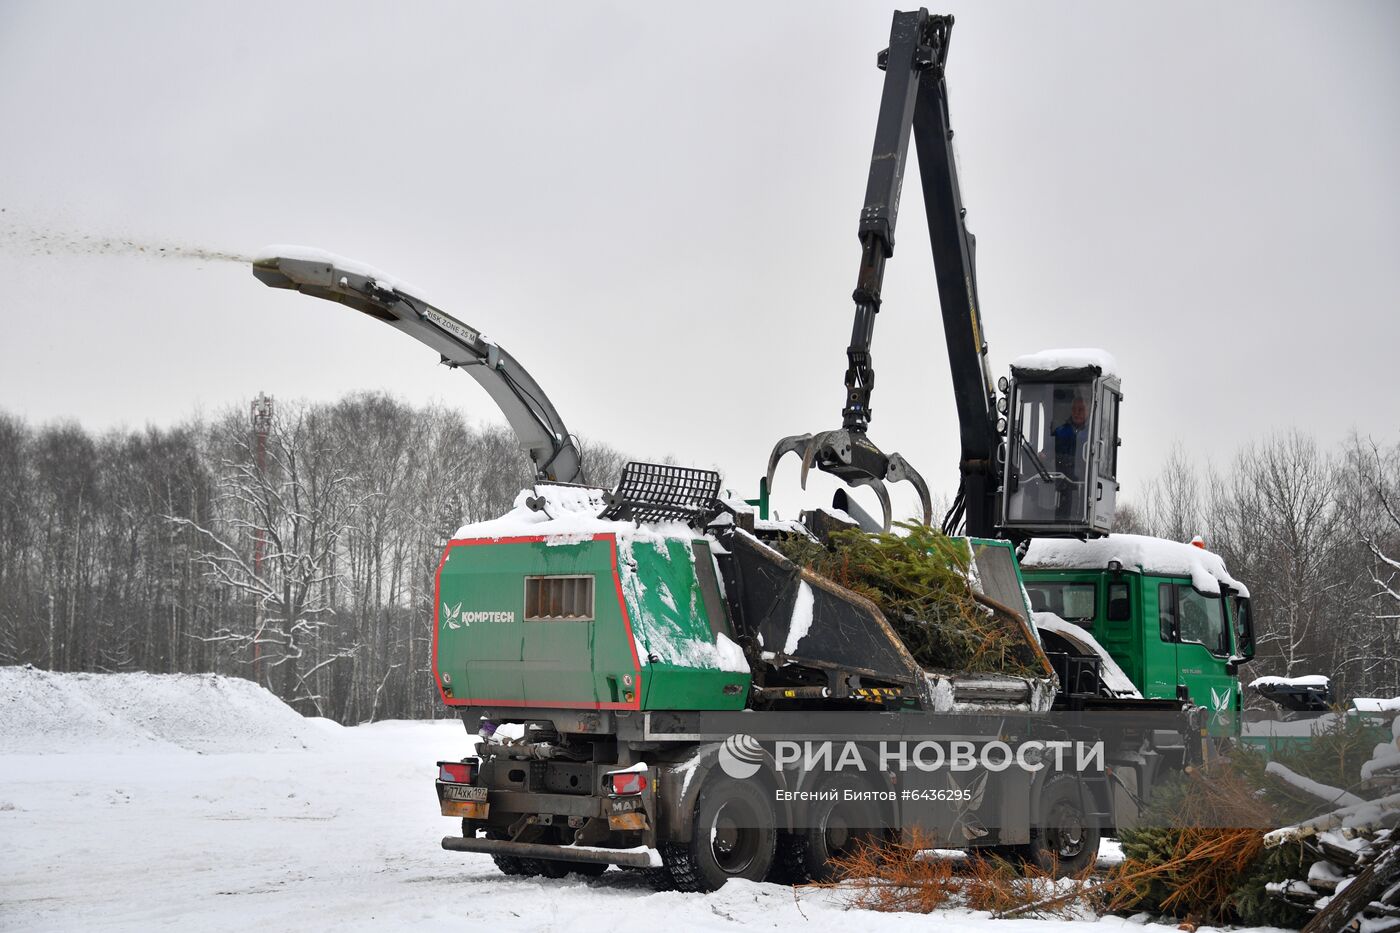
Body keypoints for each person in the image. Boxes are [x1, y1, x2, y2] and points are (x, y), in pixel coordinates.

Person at [1053, 396, 1090, 480]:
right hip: (1061, 479)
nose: (1076, 413)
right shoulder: (1060, 431)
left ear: (1088, 410)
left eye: (1080, 409)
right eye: (1073, 409)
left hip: (1084, 482)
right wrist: (1043, 455)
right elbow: (1049, 452)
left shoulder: (1093, 434)